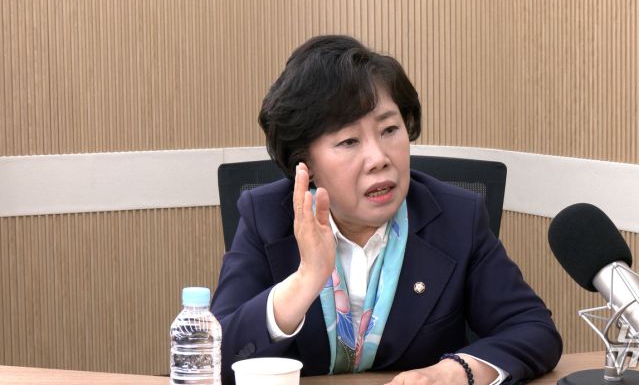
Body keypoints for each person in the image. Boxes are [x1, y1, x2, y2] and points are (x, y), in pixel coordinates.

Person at [211, 35, 562, 384]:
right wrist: (306, 279)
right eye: (349, 141)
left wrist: (457, 371)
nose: (379, 158)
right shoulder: (267, 217)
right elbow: (214, 358)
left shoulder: (456, 218)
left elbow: (533, 329)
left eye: (389, 129)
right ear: (306, 162)